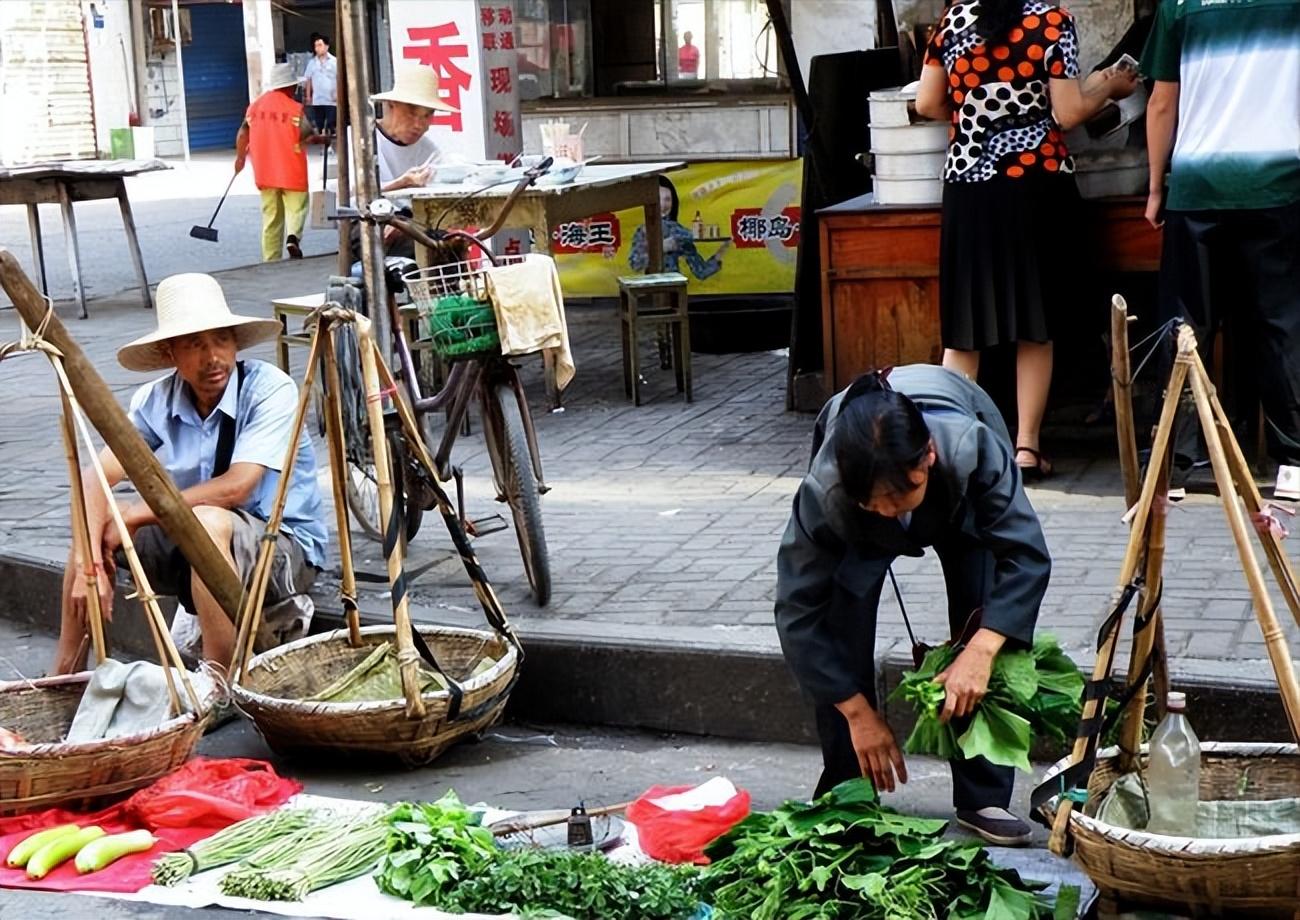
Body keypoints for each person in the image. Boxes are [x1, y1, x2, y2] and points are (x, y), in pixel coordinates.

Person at [775, 365, 1051, 846]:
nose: (890, 511)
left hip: (959, 502)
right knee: (841, 616)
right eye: (875, 504)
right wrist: (858, 714)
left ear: (929, 456)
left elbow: (1024, 555)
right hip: (854, 518)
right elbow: (798, 609)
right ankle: (849, 786)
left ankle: (983, 795)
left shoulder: (972, 449)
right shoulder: (829, 490)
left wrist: (981, 650)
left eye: (901, 497)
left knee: (984, 613)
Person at [52, 273, 329, 676]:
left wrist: (136, 513)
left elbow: (237, 487)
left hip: (281, 551)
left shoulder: (270, 389)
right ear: (170, 354)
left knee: (204, 521)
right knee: (91, 529)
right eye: (195, 344)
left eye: (221, 340)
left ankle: (218, 679)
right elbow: (96, 479)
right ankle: (62, 673)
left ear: (235, 343)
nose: (212, 356)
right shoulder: (156, 399)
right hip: (195, 544)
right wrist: (88, 562)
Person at [915, 1, 1136, 480]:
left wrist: (977, 106)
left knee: (965, 321)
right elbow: (1069, 110)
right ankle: (1027, 448)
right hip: (1035, 185)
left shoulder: (952, 22)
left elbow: (927, 103)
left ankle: (951, 448)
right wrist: (1111, 88)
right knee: (1035, 321)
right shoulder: (1052, 22)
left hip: (969, 184)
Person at [1141, 0, 1300, 473]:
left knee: (1188, 324)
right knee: (1282, 323)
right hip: (1278, 182)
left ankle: (1181, 450)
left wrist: (1155, 186)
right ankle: (1293, 456)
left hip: (1197, 186)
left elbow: (1161, 101)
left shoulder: (1179, 4)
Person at [235, 62, 316, 261]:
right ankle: (293, 237)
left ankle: (270, 260)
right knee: (297, 209)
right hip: (292, 171)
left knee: (271, 218)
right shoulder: (295, 109)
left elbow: (243, 133)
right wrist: (319, 138)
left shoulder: (255, 107)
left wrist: (240, 158)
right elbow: (306, 134)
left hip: (265, 172)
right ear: (290, 86)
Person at [628, 176, 730, 280]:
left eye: (667, 199)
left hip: (675, 289)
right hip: (651, 289)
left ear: (674, 202)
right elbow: (635, 264)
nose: (663, 205)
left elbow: (700, 271)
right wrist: (661, 249)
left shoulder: (680, 232)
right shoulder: (643, 231)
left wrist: (721, 253)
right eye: (658, 199)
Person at [302, 33, 338, 136]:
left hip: (331, 98)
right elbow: (308, 79)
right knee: (319, 122)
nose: (317, 48)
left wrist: (338, 93)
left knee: (331, 122)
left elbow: (339, 78)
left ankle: (331, 138)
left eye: (320, 45)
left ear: (327, 46)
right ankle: (322, 139)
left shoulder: (334, 62)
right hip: (318, 98)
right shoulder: (312, 63)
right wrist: (308, 96)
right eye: (316, 46)